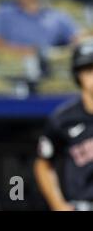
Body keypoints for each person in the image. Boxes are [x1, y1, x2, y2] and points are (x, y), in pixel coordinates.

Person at [34, 39, 93, 211]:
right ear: (78, 75)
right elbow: (43, 163)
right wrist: (58, 204)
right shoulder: (64, 118)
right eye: (88, 70)